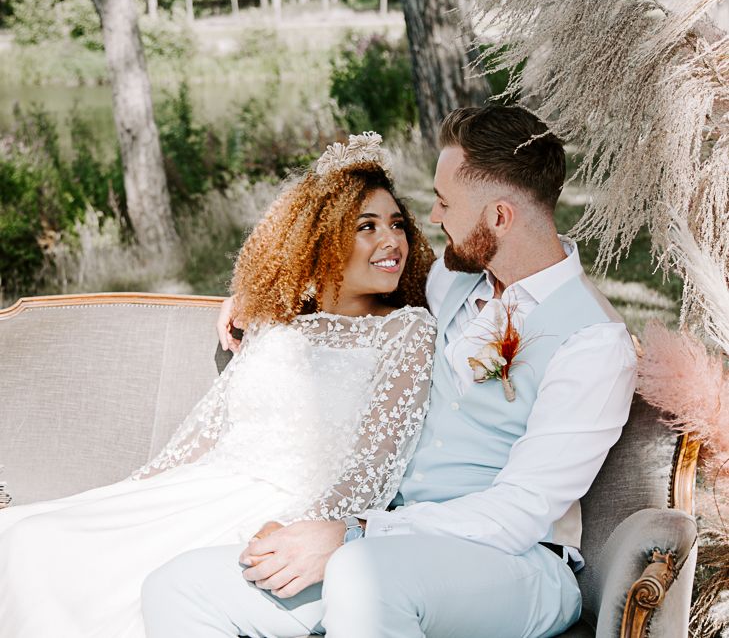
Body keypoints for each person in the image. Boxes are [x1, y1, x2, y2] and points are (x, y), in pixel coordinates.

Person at [142, 104, 638, 638]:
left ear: (498, 217)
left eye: (445, 203)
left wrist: (355, 532)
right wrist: (260, 294)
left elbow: (517, 515)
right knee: (178, 584)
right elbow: (354, 275)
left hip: (518, 565)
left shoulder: (593, 344)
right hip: (390, 547)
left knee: (362, 574)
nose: (434, 218)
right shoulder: (452, 277)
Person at [0, 133, 437, 638]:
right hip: (199, 488)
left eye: (397, 225)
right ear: (323, 239)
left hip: (276, 511)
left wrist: (317, 531)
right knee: (24, 533)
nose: (392, 242)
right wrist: (124, 496)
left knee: (94, 575)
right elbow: (199, 438)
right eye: (367, 227)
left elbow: (374, 466)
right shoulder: (278, 323)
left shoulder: (405, 331)